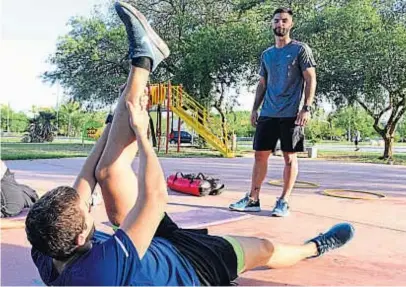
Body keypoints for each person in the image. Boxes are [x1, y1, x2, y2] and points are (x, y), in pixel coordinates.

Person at [25, 2, 354, 286]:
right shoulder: (99, 273)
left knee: (108, 171)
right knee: (265, 249)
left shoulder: (45, 245)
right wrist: (142, 133)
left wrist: (113, 123)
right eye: (85, 208)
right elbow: (155, 197)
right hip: (195, 267)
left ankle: (143, 59)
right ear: (81, 237)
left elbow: (86, 180)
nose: (86, 199)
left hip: (149, 241)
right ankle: (315, 247)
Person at [229, 7, 317, 217]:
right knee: (260, 155)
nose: (280, 24)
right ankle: (253, 199)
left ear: (291, 24)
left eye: (284, 21)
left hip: (292, 113)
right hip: (268, 112)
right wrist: (254, 108)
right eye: (277, 21)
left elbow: (310, 79)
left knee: (289, 157)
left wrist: (306, 107)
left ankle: (283, 201)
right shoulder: (266, 55)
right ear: (272, 24)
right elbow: (262, 84)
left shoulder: (300, 49)